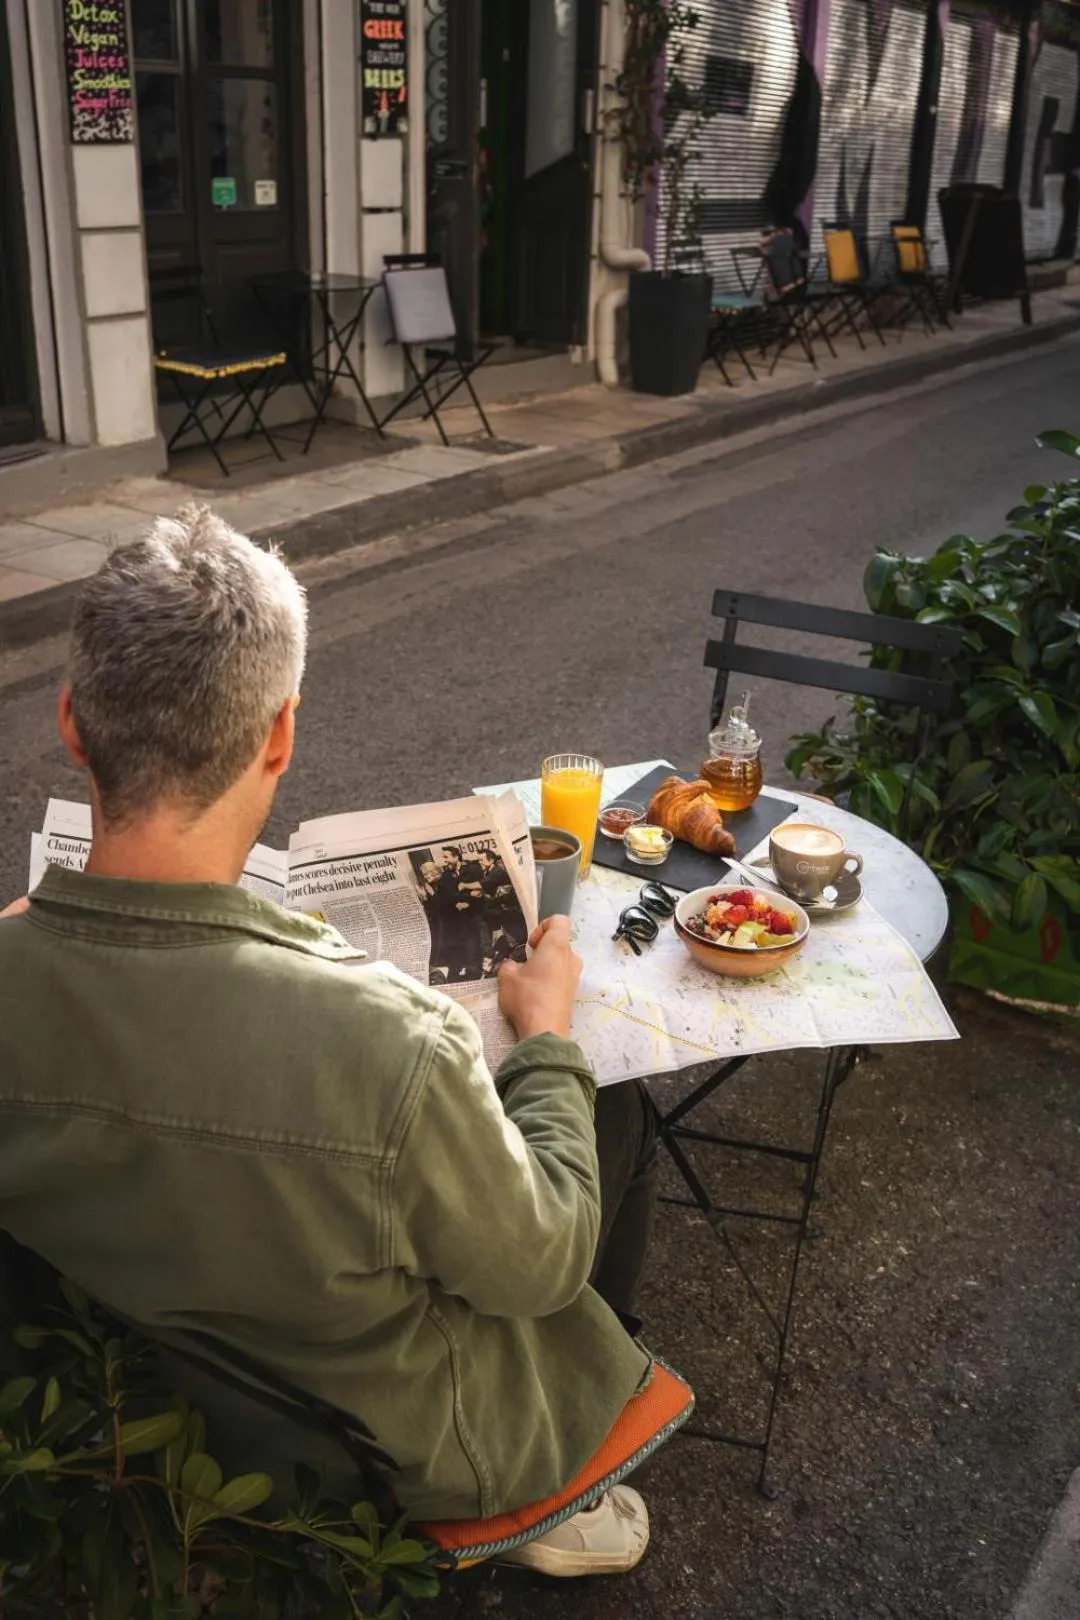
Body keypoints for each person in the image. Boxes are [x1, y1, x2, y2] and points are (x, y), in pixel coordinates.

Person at [0, 507, 662, 1577]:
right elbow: (538, 1264)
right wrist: (541, 1035)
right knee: (602, 1103)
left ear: (74, 724)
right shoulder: (393, 1047)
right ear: (279, 735)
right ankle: (561, 1491)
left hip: (141, 1401)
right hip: (388, 1447)